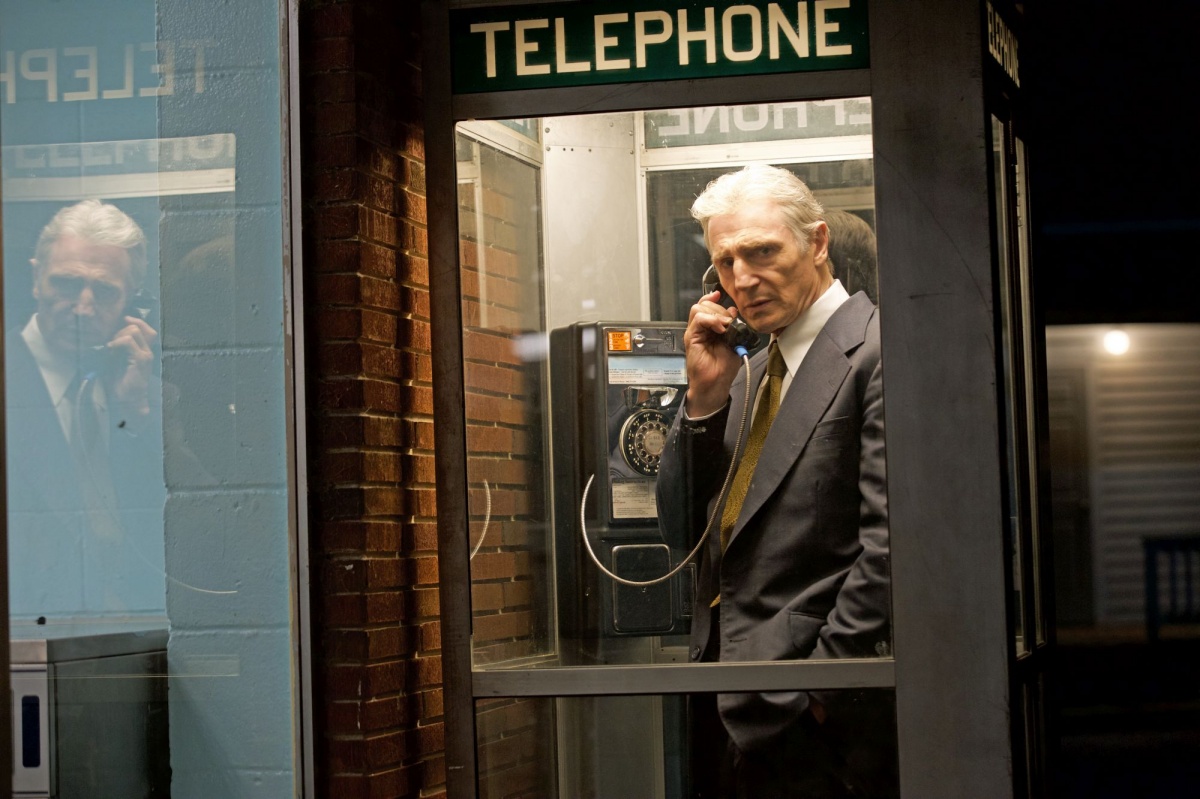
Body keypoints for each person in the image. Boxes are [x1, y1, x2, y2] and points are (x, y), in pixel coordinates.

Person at [656, 165, 894, 798]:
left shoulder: (878, 353)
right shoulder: (751, 371)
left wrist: (820, 692)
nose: (742, 280)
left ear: (817, 243)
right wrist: (703, 403)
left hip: (814, 720)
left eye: (762, 252)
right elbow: (682, 533)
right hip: (723, 695)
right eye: (725, 262)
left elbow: (892, 547)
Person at [5, 199, 166, 618]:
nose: (83, 307)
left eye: (106, 291)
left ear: (132, 302)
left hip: (135, 625)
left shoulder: (144, 392)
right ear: (36, 279)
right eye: (66, 284)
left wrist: (136, 413)